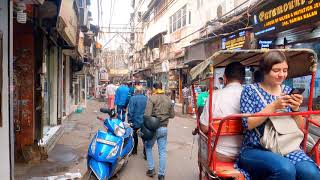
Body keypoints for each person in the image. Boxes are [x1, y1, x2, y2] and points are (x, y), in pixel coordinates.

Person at [237, 50, 320, 180]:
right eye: (276, 70)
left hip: (287, 147)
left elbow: (301, 127)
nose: (281, 75)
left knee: (311, 173)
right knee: (285, 170)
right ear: (265, 70)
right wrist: (273, 106)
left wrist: (295, 109)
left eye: (285, 70)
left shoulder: (288, 91)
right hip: (256, 148)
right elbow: (247, 124)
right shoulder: (250, 91)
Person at [200, 62, 245, 162]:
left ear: (225, 78)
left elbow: (204, 128)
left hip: (220, 152)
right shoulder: (250, 95)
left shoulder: (215, 96)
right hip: (247, 152)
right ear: (243, 79)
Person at [144, 81, 175, 180]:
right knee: (162, 152)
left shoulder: (152, 98)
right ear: (161, 87)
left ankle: (151, 169)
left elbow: (147, 115)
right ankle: (161, 175)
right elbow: (172, 115)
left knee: (148, 147)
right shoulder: (168, 99)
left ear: (154, 88)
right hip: (164, 128)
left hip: (154, 129)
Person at [128, 86, 147, 155]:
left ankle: (134, 150)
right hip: (144, 121)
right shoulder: (146, 98)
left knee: (135, 135)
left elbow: (131, 111)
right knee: (144, 136)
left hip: (135, 120)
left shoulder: (132, 98)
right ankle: (145, 152)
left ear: (135, 91)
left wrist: (130, 120)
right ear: (142, 91)